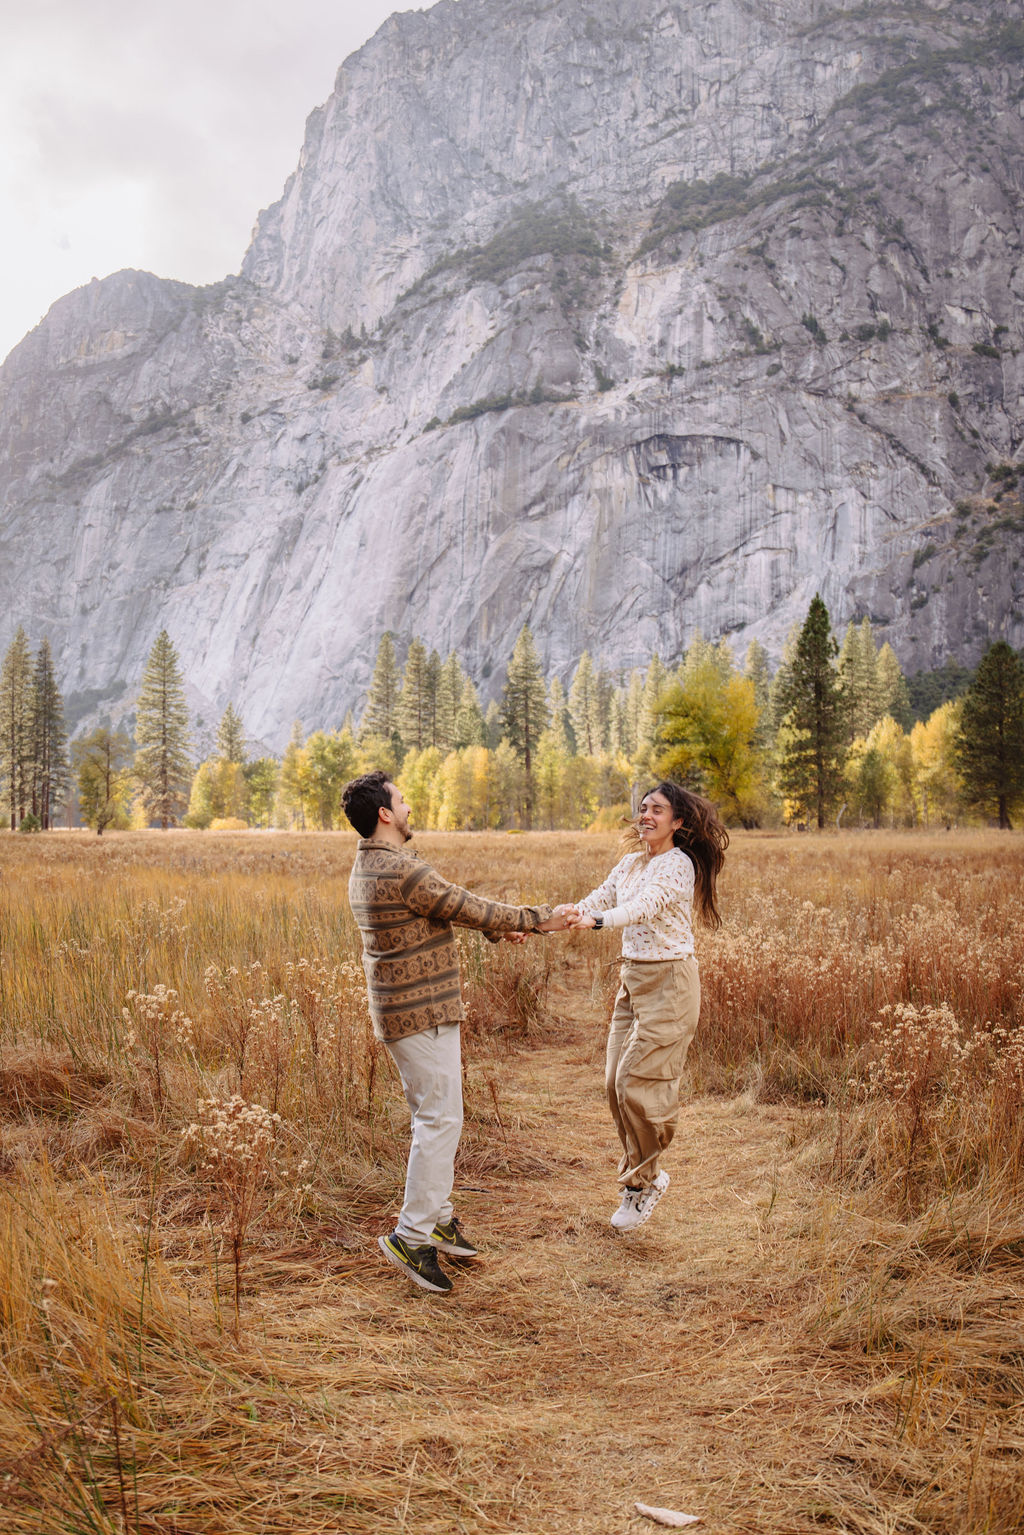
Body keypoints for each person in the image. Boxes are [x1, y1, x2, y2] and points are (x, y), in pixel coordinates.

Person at [342, 770, 571, 1295]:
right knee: (439, 1119)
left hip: (412, 1013)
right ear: (384, 814)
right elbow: (462, 904)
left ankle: (438, 1217)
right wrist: (539, 919)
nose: (408, 805)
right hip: (419, 1014)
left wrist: (501, 928)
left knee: (439, 1115)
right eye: (401, 799)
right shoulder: (399, 869)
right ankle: (412, 1235)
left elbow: (441, 912)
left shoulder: (372, 865)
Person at [566, 781, 728, 1232]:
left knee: (637, 1083)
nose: (646, 816)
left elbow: (642, 907)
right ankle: (641, 1179)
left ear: (677, 822)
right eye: (642, 809)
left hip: (670, 983)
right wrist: (559, 918)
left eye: (656, 810)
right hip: (632, 981)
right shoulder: (632, 862)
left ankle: (643, 1183)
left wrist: (597, 921)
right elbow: (598, 898)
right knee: (614, 1083)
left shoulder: (676, 866)